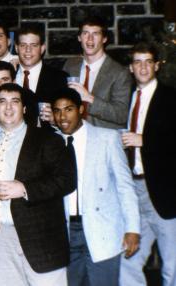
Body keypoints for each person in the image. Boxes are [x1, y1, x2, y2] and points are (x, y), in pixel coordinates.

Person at [0, 83, 75, 286]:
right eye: (2, 102)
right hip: (0, 237)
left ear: (24, 108)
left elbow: (66, 180)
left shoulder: (47, 139)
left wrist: (25, 189)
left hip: (41, 237)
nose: (8, 107)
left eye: (15, 101)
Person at [51, 88, 140, 286]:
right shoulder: (51, 142)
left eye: (69, 109)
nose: (62, 116)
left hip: (102, 230)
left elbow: (125, 187)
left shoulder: (107, 138)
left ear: (81, 110)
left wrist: (133, 228)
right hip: (65, 232)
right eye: (57, 111)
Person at [120, 42, 176, 286]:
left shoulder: (171, 98)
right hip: (134, 192)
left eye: (147, 62)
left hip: (164, 195)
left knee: (172, 268)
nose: (142, 67)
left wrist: (144, 140)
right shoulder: (128, 98)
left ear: (156, 65)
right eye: (137, 62)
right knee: (127, 263)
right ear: (131, 68)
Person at [63, 16, 132, 129]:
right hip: (72, 137)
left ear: (104, 39)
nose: (90, 39)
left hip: (104, 140)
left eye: (95, 34)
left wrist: (89, 98)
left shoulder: (119, 73)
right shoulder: (70, 65)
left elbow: (122, 114)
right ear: (79, 37)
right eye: (85, 33)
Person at [14, 25, 68, 125]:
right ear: (16, 48)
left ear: (42, 48)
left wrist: (55, 120)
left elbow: (70, 118)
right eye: (23, 45)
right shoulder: (8, 76)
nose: (28, 50)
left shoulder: (59, 78)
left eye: (33, 45)